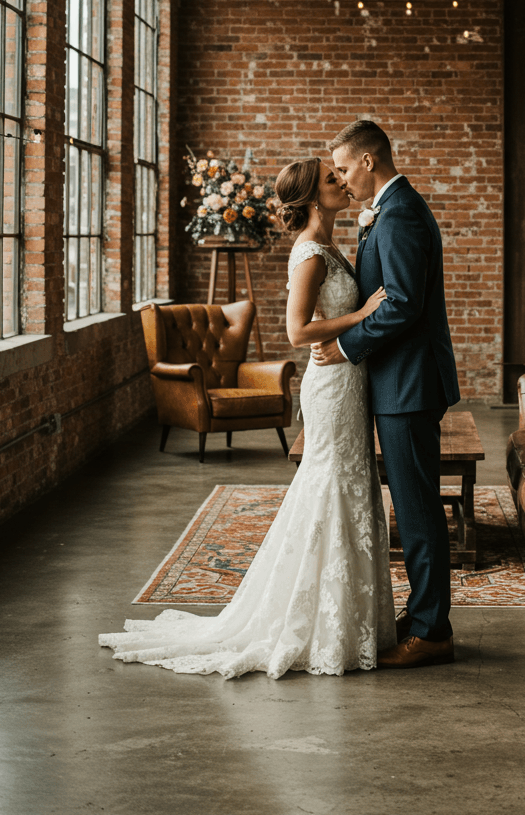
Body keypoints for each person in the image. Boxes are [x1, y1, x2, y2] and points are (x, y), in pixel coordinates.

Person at [98, 156, 396, 679]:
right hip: (331, 385)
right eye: (332, 179)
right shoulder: (309, 253)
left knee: (349, 483)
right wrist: (363, 314)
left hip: (349, 381)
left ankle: (348, 620)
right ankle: (314, 624)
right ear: (311, 197)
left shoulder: (330, 245)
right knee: (330, 483)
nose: (343, 183)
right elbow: (297, 332)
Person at [313, 119, 460, 670]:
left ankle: (432, 631)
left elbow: (401, 304)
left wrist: (345, 346)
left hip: (408, 385)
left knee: (417, 512)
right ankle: (424, 614)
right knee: (413, 506)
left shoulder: (398, 216)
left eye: (344, 167)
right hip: (401, 383)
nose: (342, 178)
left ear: (369, 161)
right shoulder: (391, 210)